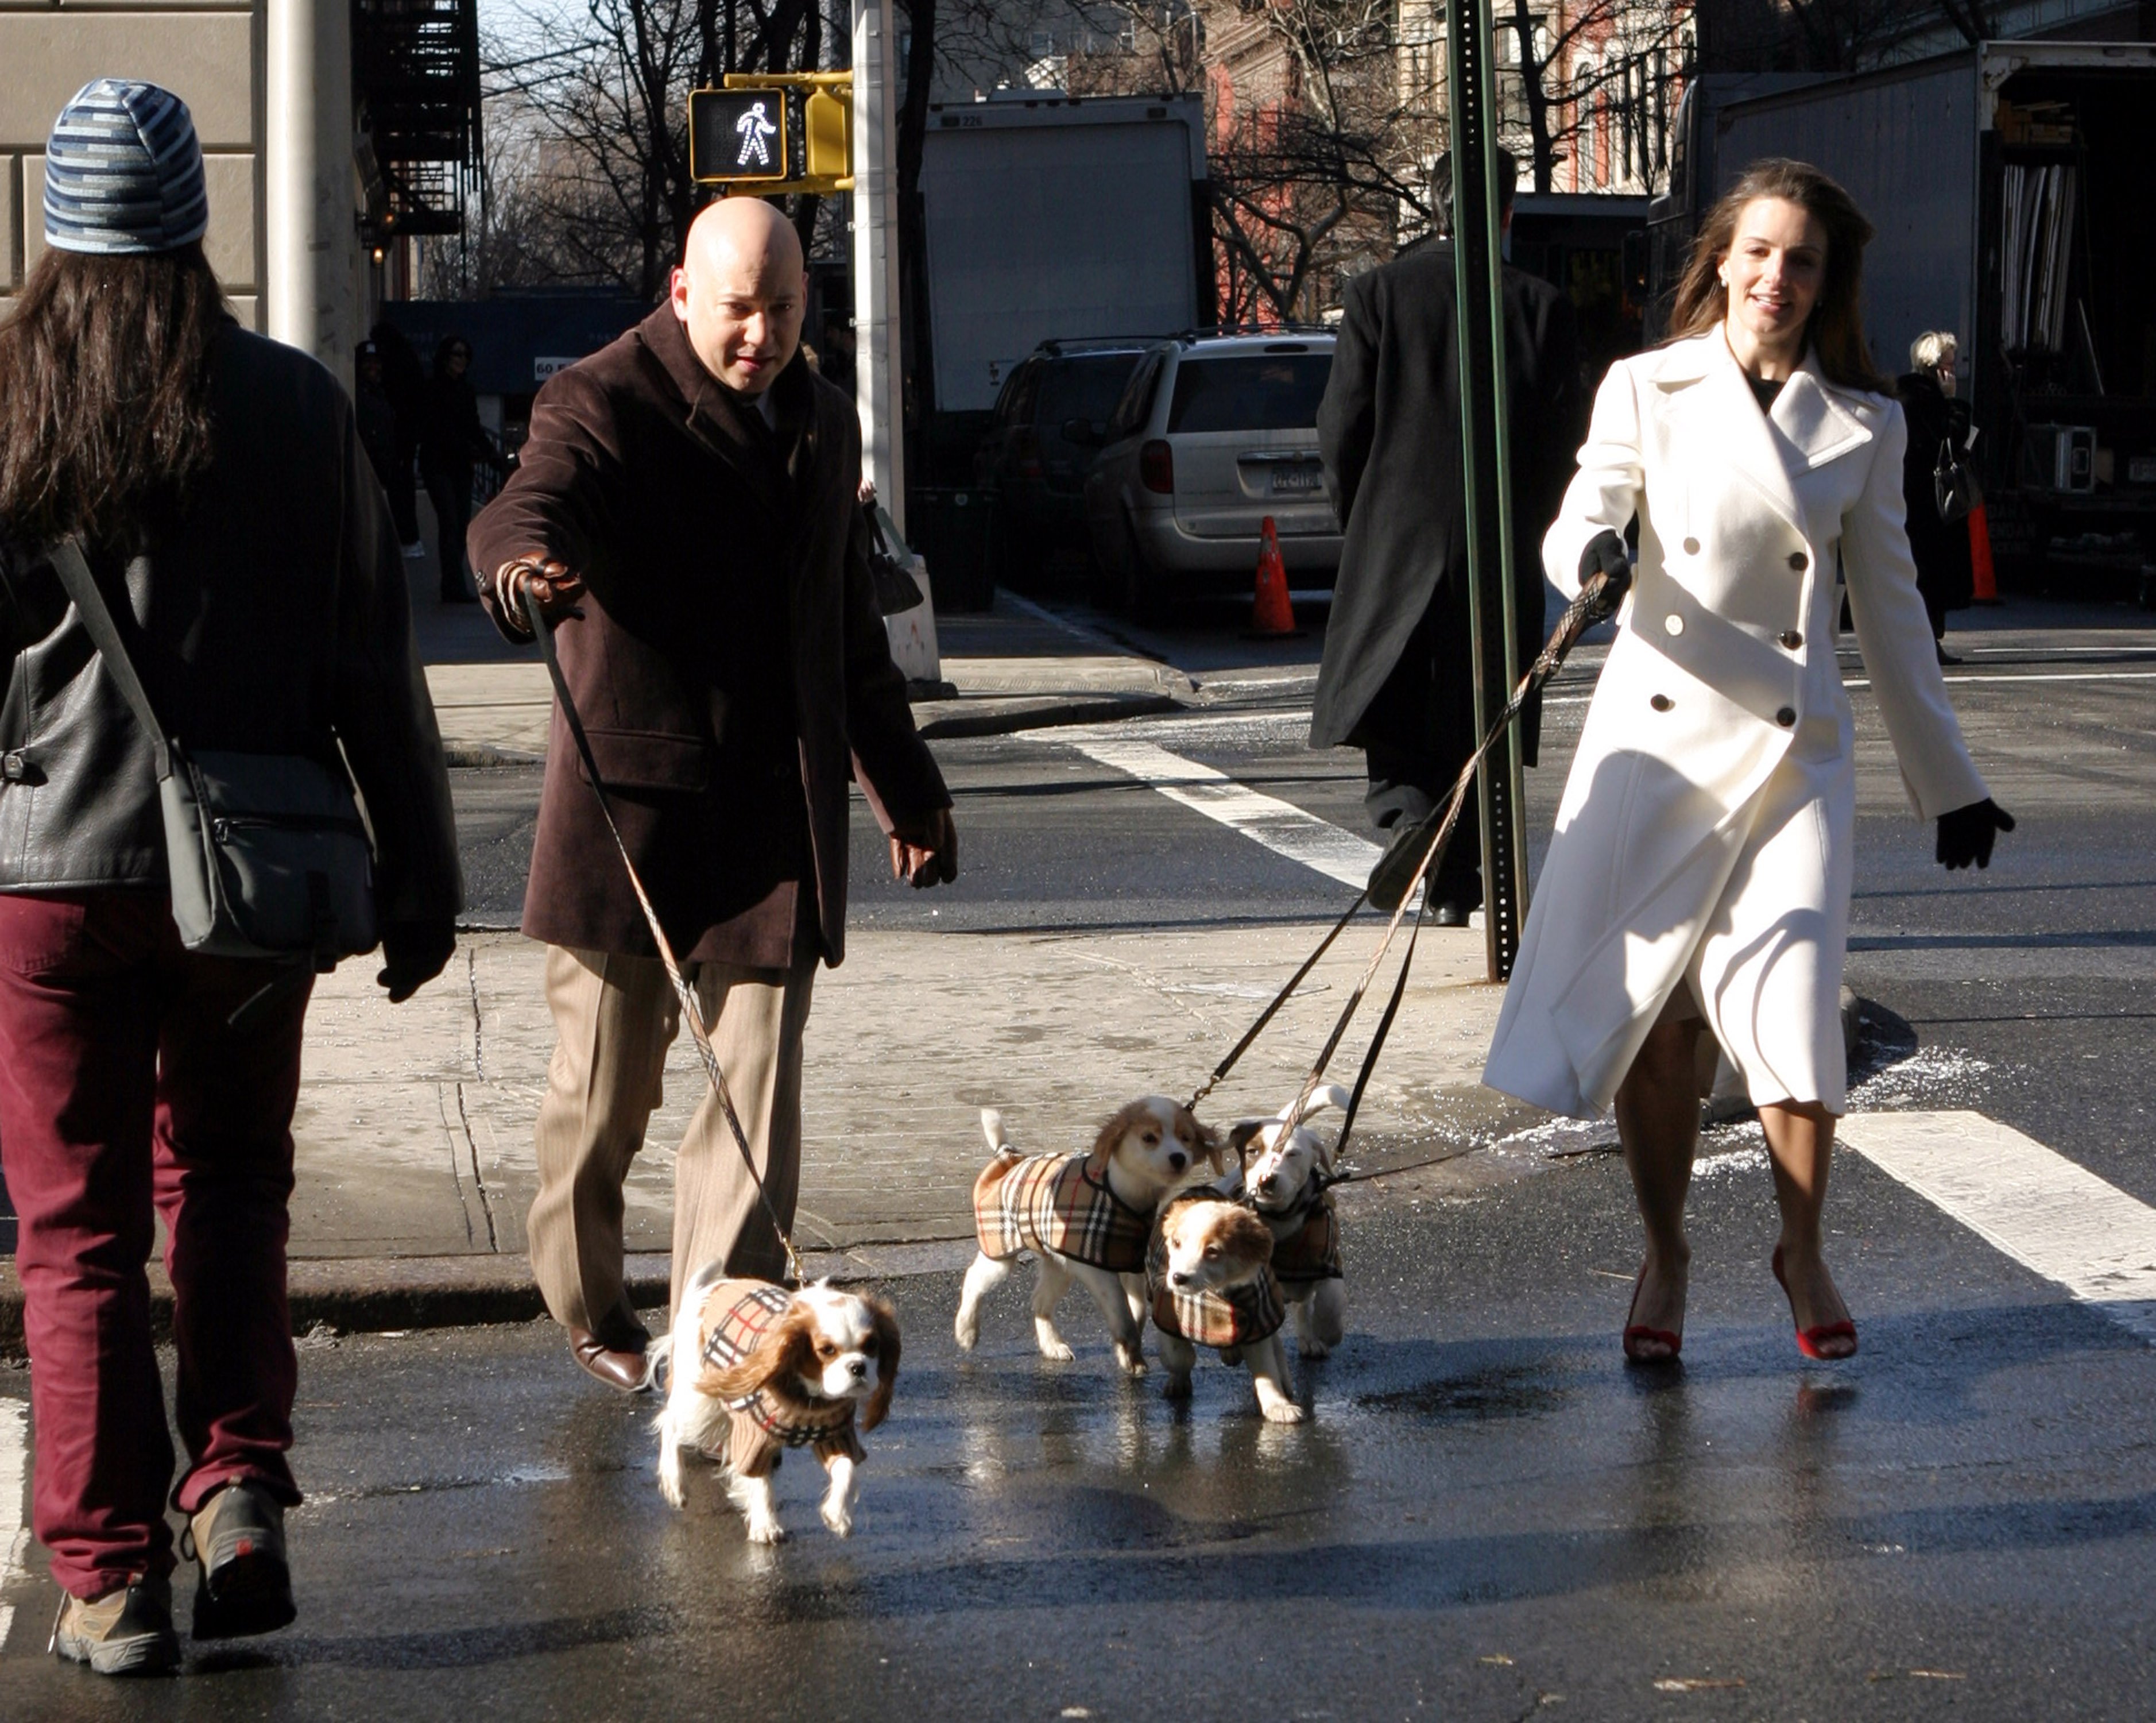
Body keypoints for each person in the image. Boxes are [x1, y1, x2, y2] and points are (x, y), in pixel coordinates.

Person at [0, 80, 461, 1674]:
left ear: (54, 234)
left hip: (49, 882)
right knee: (235, 1187)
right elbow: (369, 669)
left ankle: (112, 1580)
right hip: (253, 885)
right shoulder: (293, 406)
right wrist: (420, 878)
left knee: (74, 1229)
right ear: (196, 226)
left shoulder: (6, 403)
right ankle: (240, 1491)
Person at [1483, 159, 2014, 1365]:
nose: (1775, 277)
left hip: (1791, 766)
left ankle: (1801, 1244)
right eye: (1758, 252)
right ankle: (1664, 1252)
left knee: (1788, 1012)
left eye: (1802, 260)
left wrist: (1950, 778)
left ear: (1827, 283)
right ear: (1719, 259)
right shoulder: (1645, 386)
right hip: (1655, 747)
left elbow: (1889, 607)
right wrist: (1595, 557)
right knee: (1655, 1021)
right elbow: (1577, 513)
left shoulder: (1863, 426)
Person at [468, 196, 958, 1394]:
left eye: (783, 309)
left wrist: (907, 791)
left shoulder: (826, 420)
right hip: (629, 809)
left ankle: (714, 1341)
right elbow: (527, 502)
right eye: (738, 308)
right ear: (683, 292)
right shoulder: (599, 398)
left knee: (755, 1097)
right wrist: (519, 571)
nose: (761, 334)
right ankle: (591, 1307)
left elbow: (843, 626)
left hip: (771, 811)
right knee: (599, 1103)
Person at [1312, 148, 1583, 925]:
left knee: (1394, 701)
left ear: (1433, 207)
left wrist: (1360, 520)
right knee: (1482, 706)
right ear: (1506, 212)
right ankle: (1457, 870)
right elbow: (1566, 441)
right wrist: (1535, 525)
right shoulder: (1537, 305)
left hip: (1394, 530)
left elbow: (1340, 430)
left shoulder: (1376, 296)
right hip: (1497, 540)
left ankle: (1408, 823)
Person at [1898, 331, 1976, 663]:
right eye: (1948, 364)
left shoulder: (1902, 394)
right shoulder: (1926, 400)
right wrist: (1953, 401)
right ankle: (1928, 642)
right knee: (1930, 574)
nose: (1953, 370)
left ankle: (1924, 641)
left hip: (1908, 495)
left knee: (1919, 572)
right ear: (1936, 368)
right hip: (1929, 497)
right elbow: (1949, 438)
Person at [420, 333, 500, 602]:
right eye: (457, 354)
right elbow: (435, 429)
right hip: (438, 464)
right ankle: (452, 585)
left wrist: (492, 455)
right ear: (445, 358)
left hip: (460, 466)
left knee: (462, 525)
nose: (462, 360)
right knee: (450, 521)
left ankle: (452, 582)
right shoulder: (432, 390)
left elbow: (473, 427)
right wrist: (470, 449)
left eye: (465, 355)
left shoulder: (466, 391)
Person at [369, 318, 428, 555]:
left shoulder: (393, 365)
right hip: (406, 435)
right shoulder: (407, 360)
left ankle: (403, 538)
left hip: (395, 433)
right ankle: (408, 538)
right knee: (403, 486)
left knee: (396, 487)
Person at [355, 340, 402, 499]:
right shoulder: (355, 395)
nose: (373, 367)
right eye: (367, 362)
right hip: (363, 471)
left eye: (376, 362)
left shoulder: (382, 396)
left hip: (382, 474)